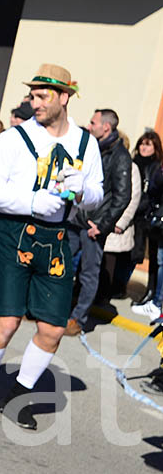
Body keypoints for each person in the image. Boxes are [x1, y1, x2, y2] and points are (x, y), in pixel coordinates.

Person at [0, 64, 103, 430]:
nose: (34, 102)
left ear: (64, 97)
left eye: (42, 96)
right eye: (33, 95)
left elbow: (99, 194)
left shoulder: (86, 143)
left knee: (53, 328)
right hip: (13, 232)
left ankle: (18, 396)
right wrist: (31, 201)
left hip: (57, 237)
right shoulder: (14, 138)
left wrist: (83, 189)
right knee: (7, 322)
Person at [65, 109, 131, 335]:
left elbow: (123, 196)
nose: (89, 126)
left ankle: (78, 319)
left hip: (94, 225)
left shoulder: (120, 156)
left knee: (88, 273)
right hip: (76, 217)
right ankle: (55, 310)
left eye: (93, 123)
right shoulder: (93, 149)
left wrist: (102, 225)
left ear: (106, 127)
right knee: (59, 263)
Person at [100, 146, 141, 304]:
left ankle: (104, 295)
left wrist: (121, 222)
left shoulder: (131, 167)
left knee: (110, 260)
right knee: (99, 260)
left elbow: (133, 197)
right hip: (103, 218)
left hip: (117, 221)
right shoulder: (105, 161)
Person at [131, 131, 163, 315]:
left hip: (148, 217)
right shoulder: (133, 163)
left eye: (148, 144)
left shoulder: (156, 167)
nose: (144, 147)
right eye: (142, 143)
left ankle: (153, 294)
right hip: (139, 215)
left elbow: (153, 191)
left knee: (155, 258)